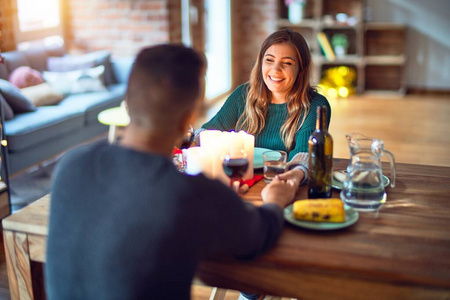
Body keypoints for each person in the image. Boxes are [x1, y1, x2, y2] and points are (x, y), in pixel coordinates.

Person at [45, 44, 297, 300]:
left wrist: (222, 203)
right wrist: (275, 201)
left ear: (127, 102)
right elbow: (259, 235)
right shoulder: (193, 195)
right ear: (190, 115)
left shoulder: (71, 165)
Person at [199, 28, 331, 188]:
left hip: (282, 182)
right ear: (261, 62)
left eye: (287, 63)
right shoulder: (242, 94)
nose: (275, 69)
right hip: (238, 181)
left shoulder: (316, 105)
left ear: (301, 70)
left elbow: (305, 155)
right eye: (269, 60)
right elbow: (207, 133)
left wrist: (294, 176)